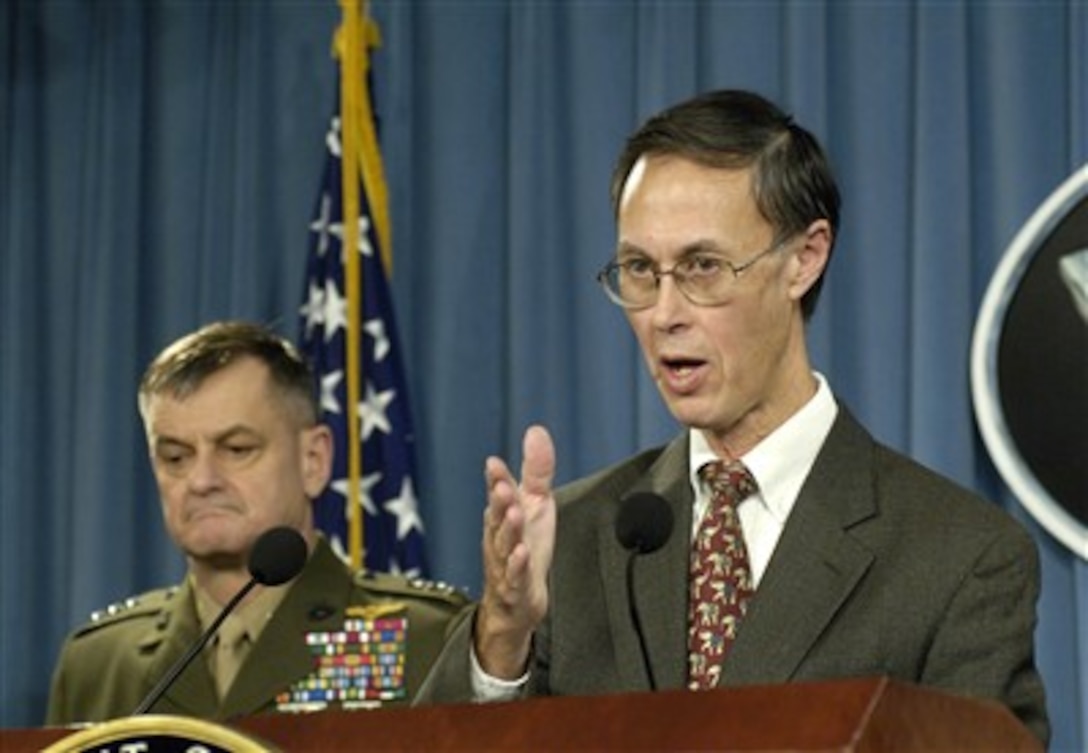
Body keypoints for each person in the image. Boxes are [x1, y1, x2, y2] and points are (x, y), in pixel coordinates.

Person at [414, 89, 1049, 744]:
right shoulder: (569, 542)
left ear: (804, 258)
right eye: (639, 269)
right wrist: (502, 635)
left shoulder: (958, 557)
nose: (664, 314)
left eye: (703, 267)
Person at [47, 321, 468, 723]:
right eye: (176, 457)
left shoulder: (426, 639)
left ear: (314, 460)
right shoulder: (97, 666)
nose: (201, 481)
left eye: (236, 449)